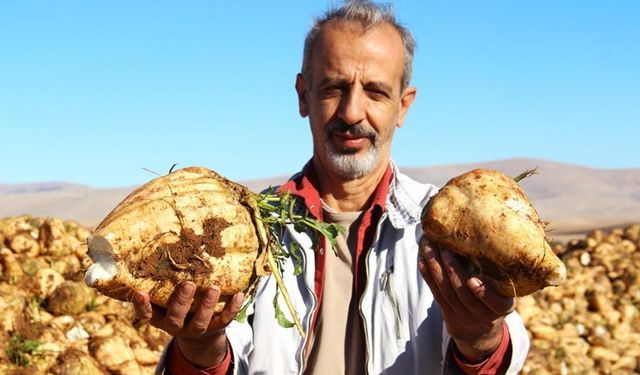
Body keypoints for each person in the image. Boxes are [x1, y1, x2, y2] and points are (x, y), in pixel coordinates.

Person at [133, 1, 530, 373]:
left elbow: (499, 353)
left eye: (375, 92)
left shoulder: (447, 231)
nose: (352, 112)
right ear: (304, 95)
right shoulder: (244, 231)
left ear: (403, 105)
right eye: (334, 88)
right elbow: (216, 355)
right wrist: (202, 347)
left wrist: (479, 335)